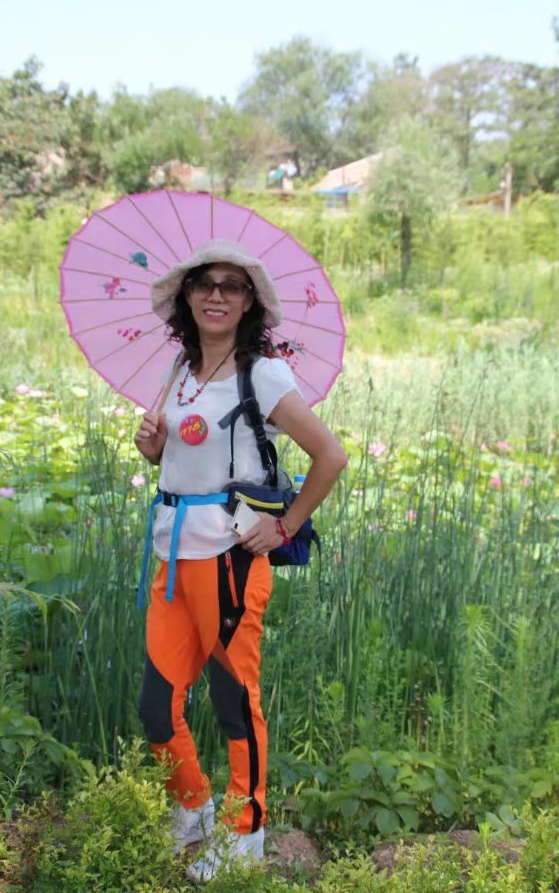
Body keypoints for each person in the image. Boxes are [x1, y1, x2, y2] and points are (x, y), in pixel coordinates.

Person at [134, 239, 347, 882]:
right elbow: (176, 457)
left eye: (232, 285)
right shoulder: (181, 368)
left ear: (250, 301)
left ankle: (244, 828)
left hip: (228, 557)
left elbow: (331, 457)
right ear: (186, 296)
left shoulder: (263, 373)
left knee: (234, 703)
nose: (218, 295)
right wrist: (152, 447)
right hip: (170, 550)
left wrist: (283, 527)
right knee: (156, 705)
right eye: (206, 284)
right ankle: (192, 806)